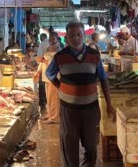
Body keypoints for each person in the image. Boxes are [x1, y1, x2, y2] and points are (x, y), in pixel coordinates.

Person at [46, 21, 115, 166]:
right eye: (71, 35)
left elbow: (103, 79)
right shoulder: (60, 56)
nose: (76, 38)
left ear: (84, 36)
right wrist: (60, 87)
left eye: (79, 34)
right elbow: (50, 74)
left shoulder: (94, 55)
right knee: (69, 145)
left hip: (91, 108)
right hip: (68, 110)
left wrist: (109, 104)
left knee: (91, 146)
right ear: (66, 38)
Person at [34, 32, 62, 124]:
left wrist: (43, 60)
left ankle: (55, 117)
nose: (51, 40)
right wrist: (38, 72)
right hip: (46, 77)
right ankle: (50, 114)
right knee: (48, 97)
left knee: (54, 98)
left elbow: (54, 63)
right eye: (50, 38)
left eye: (53, 38)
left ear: (57, 39)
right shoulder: (48, 48)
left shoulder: (59, 50)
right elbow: (43, 61)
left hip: (54, 77)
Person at [35, 33, 49, 108]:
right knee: (49, 90)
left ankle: (42, 102)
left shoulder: (42, 44)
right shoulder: (51, 44)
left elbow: (38, 58)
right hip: (52, 71)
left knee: (42, 86)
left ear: (41, 38)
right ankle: (46, 102)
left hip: (45, 69)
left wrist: (40, 60)